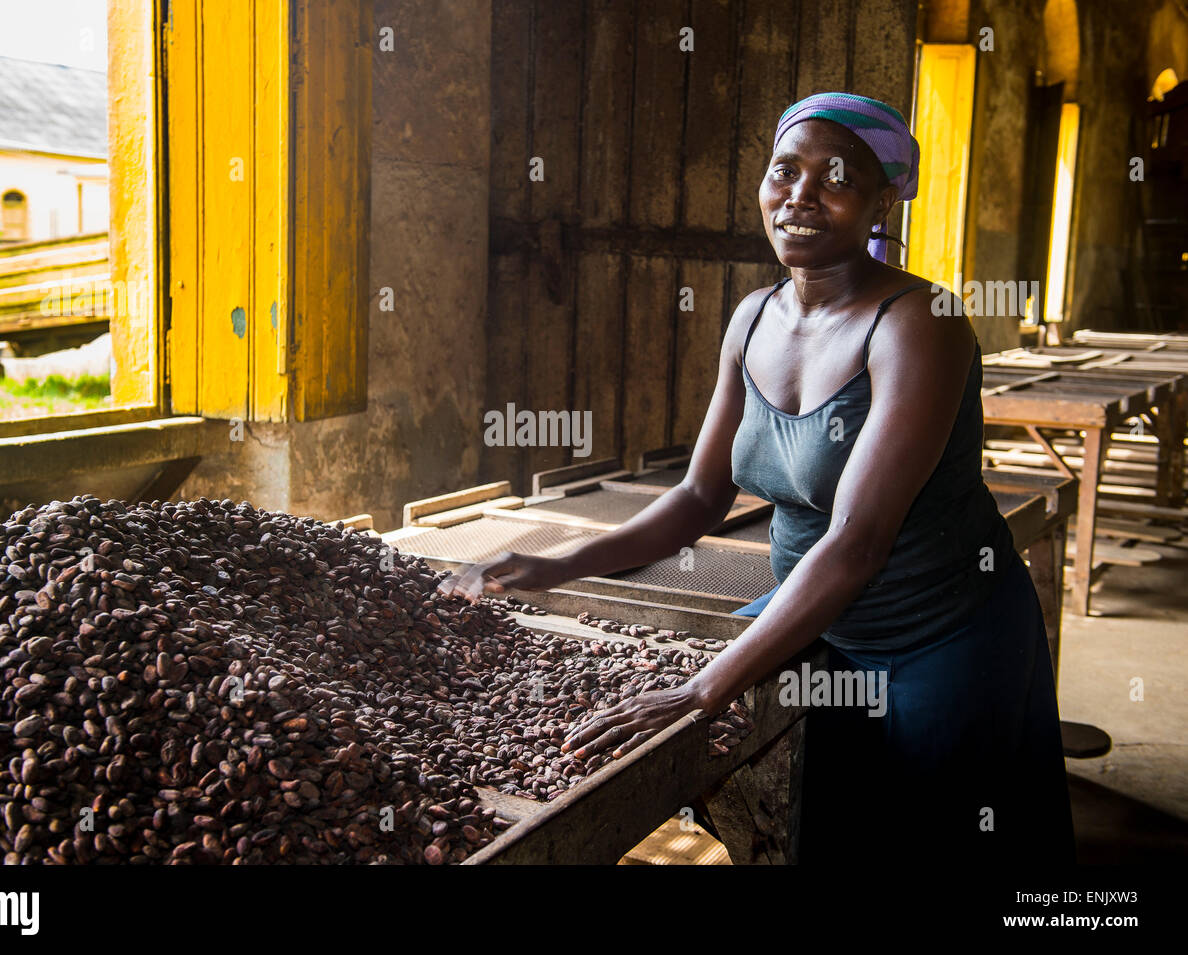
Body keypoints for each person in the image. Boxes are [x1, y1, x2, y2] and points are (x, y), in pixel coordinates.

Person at [439, 92, 1074, 863]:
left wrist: (705, 688)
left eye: (834, 178)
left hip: (936, 634)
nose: (800, 194)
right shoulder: (752, 318)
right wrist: (551, 562)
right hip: (816, 616)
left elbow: (856, 541)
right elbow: (700, 497)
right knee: (818, 819)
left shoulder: (919, 323)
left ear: (880, 200)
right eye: (785, 171)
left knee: (933, 835)